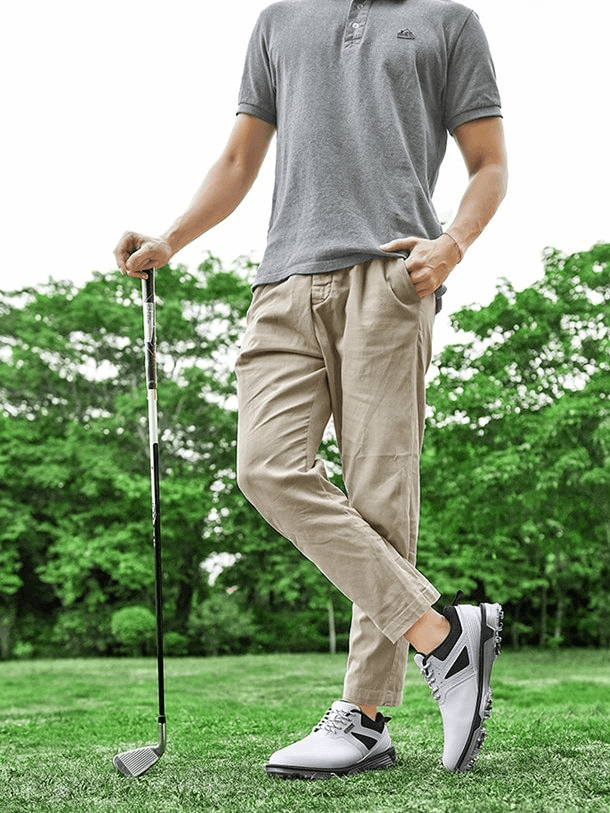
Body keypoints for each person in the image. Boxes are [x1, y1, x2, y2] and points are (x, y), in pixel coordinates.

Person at [115, 0, 508, 778]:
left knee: (378, 497)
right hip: (282, 282)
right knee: (266, 466)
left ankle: (364, 720)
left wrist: (453, 245)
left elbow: (490, 164)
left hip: (390, 277)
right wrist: (171, 237)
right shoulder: (278, 21)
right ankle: (442, 633)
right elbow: (237, 161)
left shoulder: (448, 22)